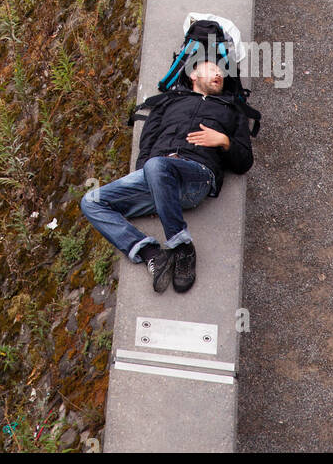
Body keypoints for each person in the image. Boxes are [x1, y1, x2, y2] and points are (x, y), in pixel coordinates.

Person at [79, 59, 254, 293]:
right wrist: (150, 181)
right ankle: (150, 253)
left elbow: (244, 162)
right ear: (193, 75)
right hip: (158, 173)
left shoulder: (231, 110)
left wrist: (224, 141)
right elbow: (148, 143)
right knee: (91, 202)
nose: (218, 74)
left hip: (196, 176)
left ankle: (182, 247)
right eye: (212, 69)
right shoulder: (169, 101)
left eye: (221, 72)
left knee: (156, 166)